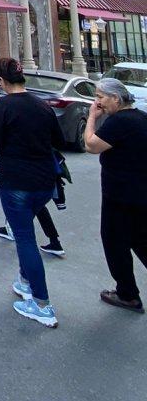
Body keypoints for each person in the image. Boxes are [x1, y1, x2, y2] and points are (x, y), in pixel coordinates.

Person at [0, 57, 65, 328]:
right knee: (25, 232)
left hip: (16, 181)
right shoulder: (42, 106)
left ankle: (42, 304)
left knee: (25, 239)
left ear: (1, 80)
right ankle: (25, 281)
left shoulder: (3, 106)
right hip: (44, 183)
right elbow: (58, 140)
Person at [84, 78, 147, 313]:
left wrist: (92, 117)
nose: (97, 102)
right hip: (138, 192)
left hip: (121, 195)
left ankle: (127, 294)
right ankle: (127, 292)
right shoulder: (140, 117)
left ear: (116, 99)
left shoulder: (120, 121)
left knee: (114, 242)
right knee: (139, 239)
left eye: (100, 97)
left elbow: (91, 145)